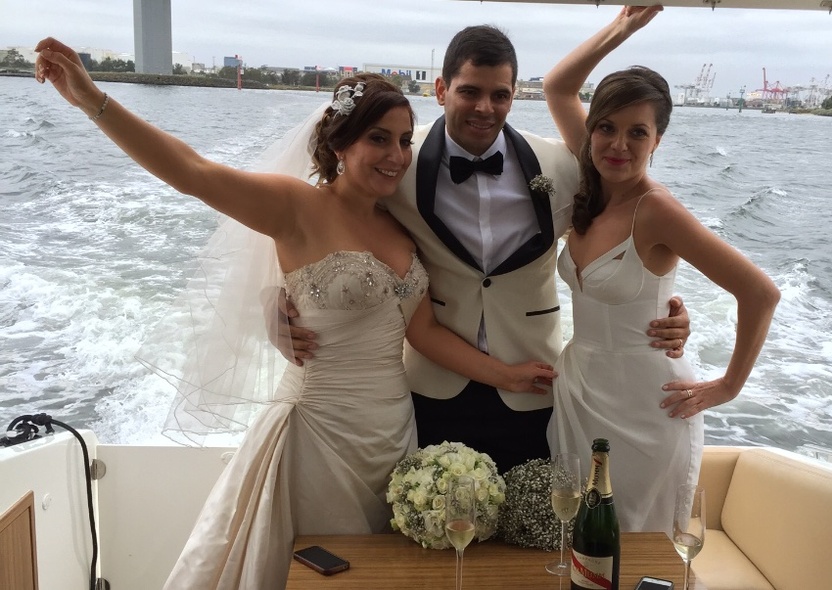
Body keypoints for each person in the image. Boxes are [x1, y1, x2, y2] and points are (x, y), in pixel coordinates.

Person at [34, 39, 556, 590]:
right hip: (319, 430)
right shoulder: (295, 207)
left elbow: (421, 330)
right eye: (378, 140)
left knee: (380, 573)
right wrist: (91, 99)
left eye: (404, 141)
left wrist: (508, 375)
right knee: (317, 571)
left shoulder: (400, 227)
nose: (397, 156)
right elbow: (191, 172)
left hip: (394, 432)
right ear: (339, 145)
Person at [279, 24, 692, 475]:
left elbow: (626, 223)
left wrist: (658, 302)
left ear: (514, 95)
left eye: (500, 95)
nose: (484, 108)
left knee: (527, 533)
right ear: (441, 89)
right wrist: (275, 308)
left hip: (535, 381)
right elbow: (321, 221)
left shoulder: (564, 165)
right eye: (470, 91)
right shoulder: (397, 163)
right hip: (430, 383)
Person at [543, 6, 780, 533]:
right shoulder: (593, 172)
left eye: (638, 133)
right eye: (606, 128)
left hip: (648, 408)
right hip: (581, 391)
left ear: (658, 141)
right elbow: (559, 88)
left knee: (636, 550)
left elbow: (760, 293)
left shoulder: (656, 210)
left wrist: (728, 387)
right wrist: (622, 28)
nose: (618, 145)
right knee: (578, 540)